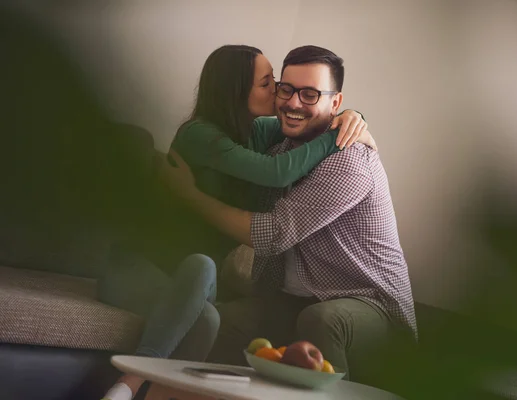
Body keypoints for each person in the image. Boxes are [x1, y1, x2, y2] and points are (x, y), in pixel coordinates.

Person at [102, 45, 373, 400]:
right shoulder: (199, 135)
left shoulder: (255, 133)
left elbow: (313, 117)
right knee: (201, 270)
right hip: (142, 268)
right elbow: (277, 173)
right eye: (267, 83)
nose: (279, 93)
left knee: (211, 318)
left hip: (198, 281)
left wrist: (351, 118)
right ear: (236, 91)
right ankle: (129, 384)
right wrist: (337, 140)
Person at [160, 45, 418, 386]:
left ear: (335, 103)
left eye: (310, 94)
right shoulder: (280, 146)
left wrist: (191, 195)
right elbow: (269, 161)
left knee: (323, 320)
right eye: (286, 89)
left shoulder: (349, 161)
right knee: (225, 321)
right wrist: (357, 116)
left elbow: (272, 234)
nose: (294, 103)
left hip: (370, 305)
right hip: (294, 300)